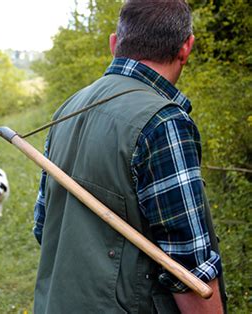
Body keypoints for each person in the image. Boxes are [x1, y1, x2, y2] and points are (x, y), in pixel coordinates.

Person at [32, 0, 227, 313]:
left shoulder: (67, 109)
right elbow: (189, 270)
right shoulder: (163, 123)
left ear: (114, 44)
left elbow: (44, 226)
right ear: (186, 48)